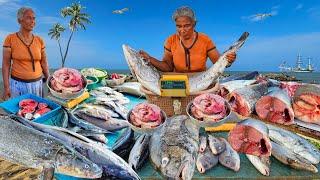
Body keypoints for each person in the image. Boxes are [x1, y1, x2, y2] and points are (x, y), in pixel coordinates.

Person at [139, 6, 236, 73]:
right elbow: (167, 67)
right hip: (177, 81)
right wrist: (149, 59)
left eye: (186, 26)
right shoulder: (170, 40)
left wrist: (228, 60)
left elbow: (218, 64)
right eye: (178, 26)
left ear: (194, 24)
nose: (182, 30)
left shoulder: (205, 39)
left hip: (200, 79)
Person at [2, 7, 49, 100]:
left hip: (37, 84)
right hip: (17, 85)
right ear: (20, 20)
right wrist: (7, 87)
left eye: (34, 18)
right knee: (19, 112)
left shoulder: (39, 40)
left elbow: (44, 62)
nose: (32, 21)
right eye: (29, 18)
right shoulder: (10, 39)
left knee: (37, 112)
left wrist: (49, 80)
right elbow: (6, 65)